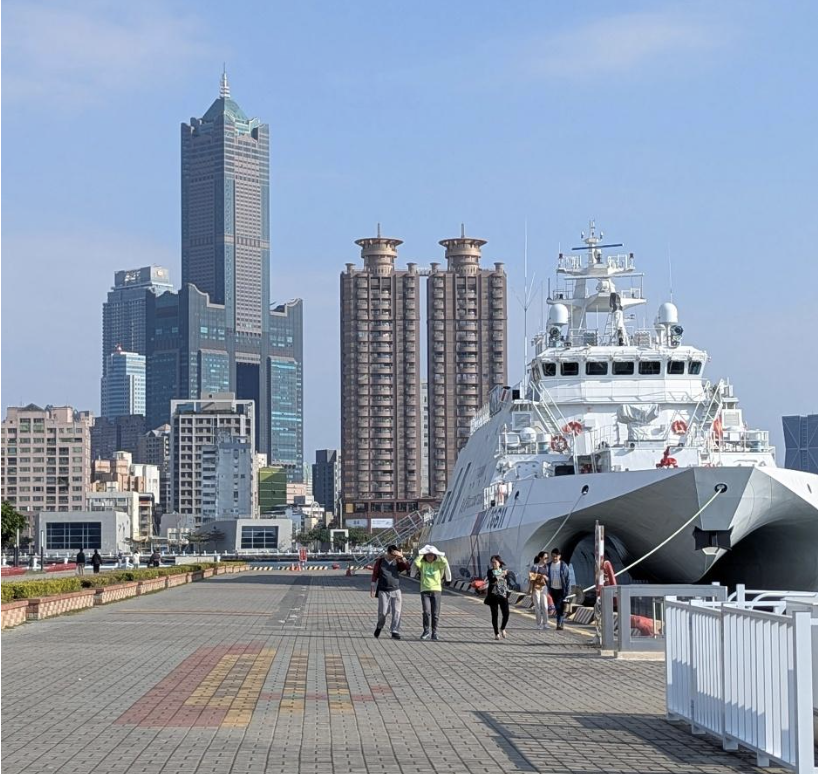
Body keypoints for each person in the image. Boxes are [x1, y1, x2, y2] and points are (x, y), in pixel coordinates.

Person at [411, 545, 451, 641]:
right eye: (428, 555)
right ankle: (426, 631)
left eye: (432, 555)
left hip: (436, 590)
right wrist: (421, 553)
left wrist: (439, 554)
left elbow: (444, 562)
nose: (430, 556)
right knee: (426, 612)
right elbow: (416, 562)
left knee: (435, 613)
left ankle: (434, 632)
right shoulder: (423, 564)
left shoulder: (438, 564)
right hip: (425, 590)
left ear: (435, 556)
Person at [371, 545, 411, 640]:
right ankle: (379, 626)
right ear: (388, 553)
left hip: (396, 590)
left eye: (395, 555)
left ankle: (395, 631)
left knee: (397, 611)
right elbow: (375, 573)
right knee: (383, 612)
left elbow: (406, 567)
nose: (394, 557)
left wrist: (402, 557)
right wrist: (373, 584)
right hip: (383, 590)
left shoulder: (397, 561)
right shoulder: (380, 561)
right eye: (392, 555)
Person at [485, 555, 511, 640]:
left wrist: (506, 576)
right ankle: (496, 633)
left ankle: (502, 627)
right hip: (493, 595)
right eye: (492, 562)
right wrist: (501, 575)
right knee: (494, 615)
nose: (493, 564)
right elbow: (492, 580)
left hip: (503, 595)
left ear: (499, 563)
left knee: (506, 614)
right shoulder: (490, 571)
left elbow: (508, 583)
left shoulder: (504, 572)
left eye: (495, 562)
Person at [546, 547, 571, 630]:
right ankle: (561, 623)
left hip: (561, 589)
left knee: (558, 606)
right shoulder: (548, 566)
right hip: (552, 589)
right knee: (559, 607)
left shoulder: (563, 566)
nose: (554, 558)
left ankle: (558, 624)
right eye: (553, 556)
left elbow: (567, 579)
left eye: (556, 556)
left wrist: (567, 591)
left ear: (559, 556)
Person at [528, 551, 550, 630]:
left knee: (545, 605)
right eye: (545, 558)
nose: (546, 559)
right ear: (540, 558)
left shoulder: (547, 567)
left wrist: (544, 577)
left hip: (544, 587)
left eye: (547, 558)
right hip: (536, 587)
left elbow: (548, 578)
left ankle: (545, 623)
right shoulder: (534, 567)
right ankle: (538, 624)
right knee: (537, 606)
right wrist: (530, 590)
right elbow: (531, 579)